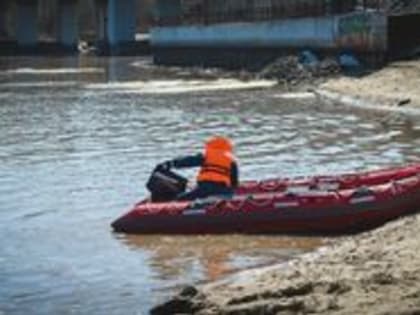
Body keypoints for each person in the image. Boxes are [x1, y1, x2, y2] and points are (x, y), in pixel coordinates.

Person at [157, 136, 239, 201]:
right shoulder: (231, 160)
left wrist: (171, 164)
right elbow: (234, 182)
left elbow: (188, 161)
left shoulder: (206, 156)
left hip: (205, 188)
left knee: (180, 199)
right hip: (222, 189)